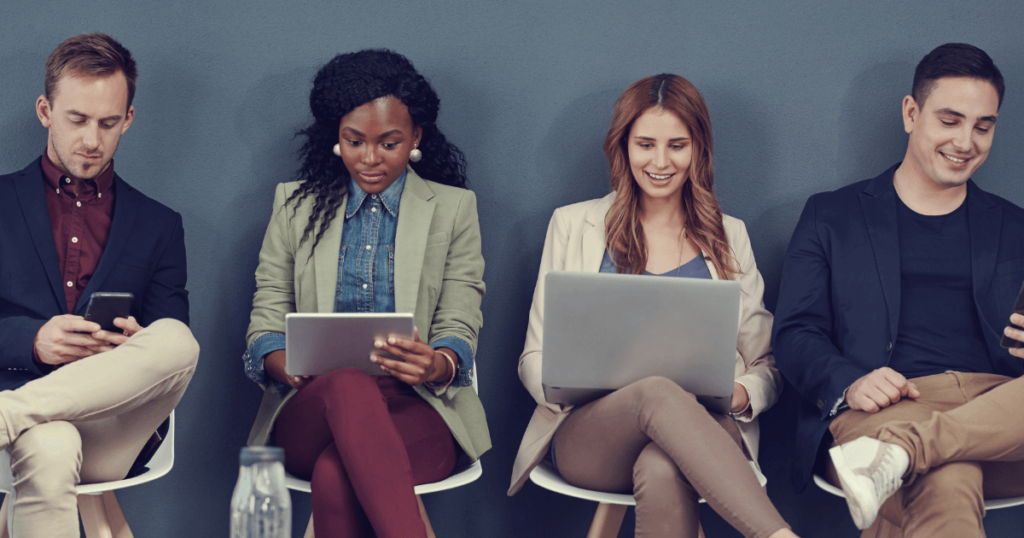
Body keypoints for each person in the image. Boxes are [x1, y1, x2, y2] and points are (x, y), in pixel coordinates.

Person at [508, 74, 797, 538]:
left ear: (699, 149)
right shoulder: (572, 225)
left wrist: (741, 394)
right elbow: (533, 358)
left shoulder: (730, 236)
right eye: (645, 144)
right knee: (657, 391)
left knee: (664, 465)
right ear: (622, 147)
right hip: (593, 434)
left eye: (677, 145)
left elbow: (766, 364)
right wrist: (564, 384)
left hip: (707, 429)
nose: (660, 162)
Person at [773, 43, 1024, 536]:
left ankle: (904, 450)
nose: (967, 141)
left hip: (998, 410)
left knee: (932, 460)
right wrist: (850, 381)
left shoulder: (1016, 226)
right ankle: (907, 448)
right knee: (946, 478)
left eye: (983, 125)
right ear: (911, 113)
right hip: (885, 407)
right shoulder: (832, 216)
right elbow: (795, 333)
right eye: (950, 120)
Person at [242, 49, 490, 538]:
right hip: (313, 407)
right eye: (354, 141)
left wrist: (437, 363)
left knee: (335, 475)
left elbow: (461, 319)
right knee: (349, 383)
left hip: (418, 408)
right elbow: (265, 321)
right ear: (336, 135)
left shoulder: (455, 209)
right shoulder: (294, 207)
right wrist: (281, 360)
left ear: (415, 136)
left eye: (388, 143)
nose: (370, 158)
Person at [0, 33, 199, 537]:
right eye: (78, 119)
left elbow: (169, 345)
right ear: (46, 111)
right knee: (52, 447)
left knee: (176, 339)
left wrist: (133, 344)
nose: (92, 139)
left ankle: (5, 415)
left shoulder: (160, 224)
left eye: (108, 123)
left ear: (127, 120)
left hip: (114, 424)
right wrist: (34, 341)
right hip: (31, 431)